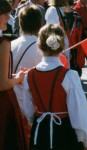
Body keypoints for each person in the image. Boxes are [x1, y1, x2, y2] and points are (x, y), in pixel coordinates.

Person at [22, 24, 87, 150]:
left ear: (39, 45)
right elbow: (78, 112)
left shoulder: (29, 75)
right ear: (62, 46)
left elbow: (27, 111)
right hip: (65, 134)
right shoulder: (69, 75)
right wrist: (86, 142)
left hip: (39, 133)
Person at [11, 5, 43, 147]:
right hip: (31, 106)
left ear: (20, 23)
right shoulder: (42, 49)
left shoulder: (9, 45)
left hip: (10, 103)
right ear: (39, 24)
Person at [0, 0, 27, 149]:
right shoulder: (3, 42)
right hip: (3, 105)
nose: (9, 18)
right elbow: (2, 84)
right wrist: (18, 78)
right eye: (5, 14)